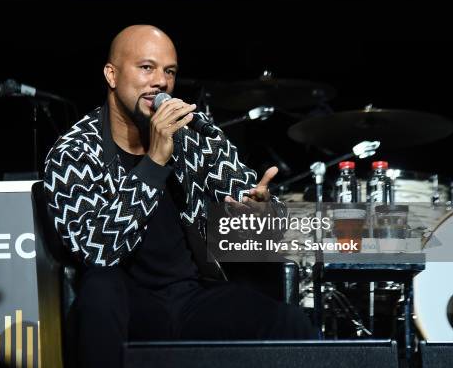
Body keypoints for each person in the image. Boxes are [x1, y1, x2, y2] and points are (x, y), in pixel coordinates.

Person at [43, 25, 316, 368]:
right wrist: (154, 162)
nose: (160, 82)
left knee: (290, 322)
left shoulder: (193, 136)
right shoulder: (75, 152)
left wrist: (261, 211)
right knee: (98, 292)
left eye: (169, 71)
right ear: (111, 75)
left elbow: (253, 206)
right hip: (125, 302)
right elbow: (96, 251)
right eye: (147, 68)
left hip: (190, 297)